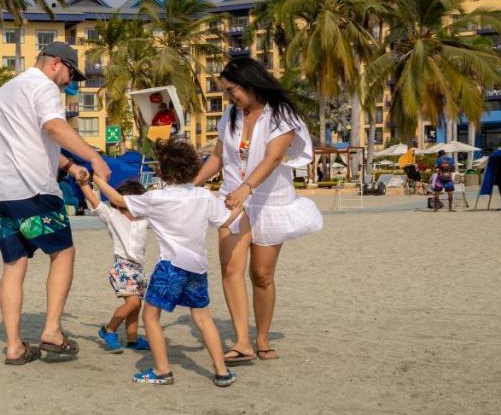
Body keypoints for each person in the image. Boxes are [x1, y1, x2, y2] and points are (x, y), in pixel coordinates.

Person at [0, 41, 111, 366]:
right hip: (33, 191)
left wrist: (69, 166)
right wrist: (93, 156)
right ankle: (52, 331)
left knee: (14, 265)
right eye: (70, 72)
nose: (70, 81)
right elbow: (54, 127)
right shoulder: (43, 87)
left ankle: (14, 347)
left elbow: (28, 142)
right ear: (56, 63)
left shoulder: (5, 91)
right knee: (63, 253)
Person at [193, 56, 323, 366]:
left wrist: (247, 188)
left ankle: (261, 337)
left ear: (250, 83)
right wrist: (191, 185)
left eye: (232, 90)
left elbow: (274, 158)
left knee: (261, 275)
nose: (229, 97)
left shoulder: (282, 115)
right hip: (232, 200)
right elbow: (218, 157)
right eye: (226, 92)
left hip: (267, 199)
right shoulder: (231, 115)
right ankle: (241, 341)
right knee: (230, 270)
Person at [85, 139, 239, 387]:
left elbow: (119, 200)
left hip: (170, 266)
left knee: (151, 316)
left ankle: (162, 370)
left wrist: (97, 179)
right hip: (198, 268)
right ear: (194, 168)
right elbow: (225, 220)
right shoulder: (204, 196)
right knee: (203, 318)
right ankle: (222, 372)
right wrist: (239, 205)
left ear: (163, 171)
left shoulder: (158, 198)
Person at [77, 177, 150, 353]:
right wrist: (83, 184)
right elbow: (95, 202)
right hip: (122, 267)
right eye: (128, 206)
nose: (133, 211)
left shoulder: (144, 219)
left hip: (138, 269)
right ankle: (109, 330)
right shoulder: (113, 216)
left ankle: (132, 339)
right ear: (118, 205)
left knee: (137, 305)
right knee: (132, 303)